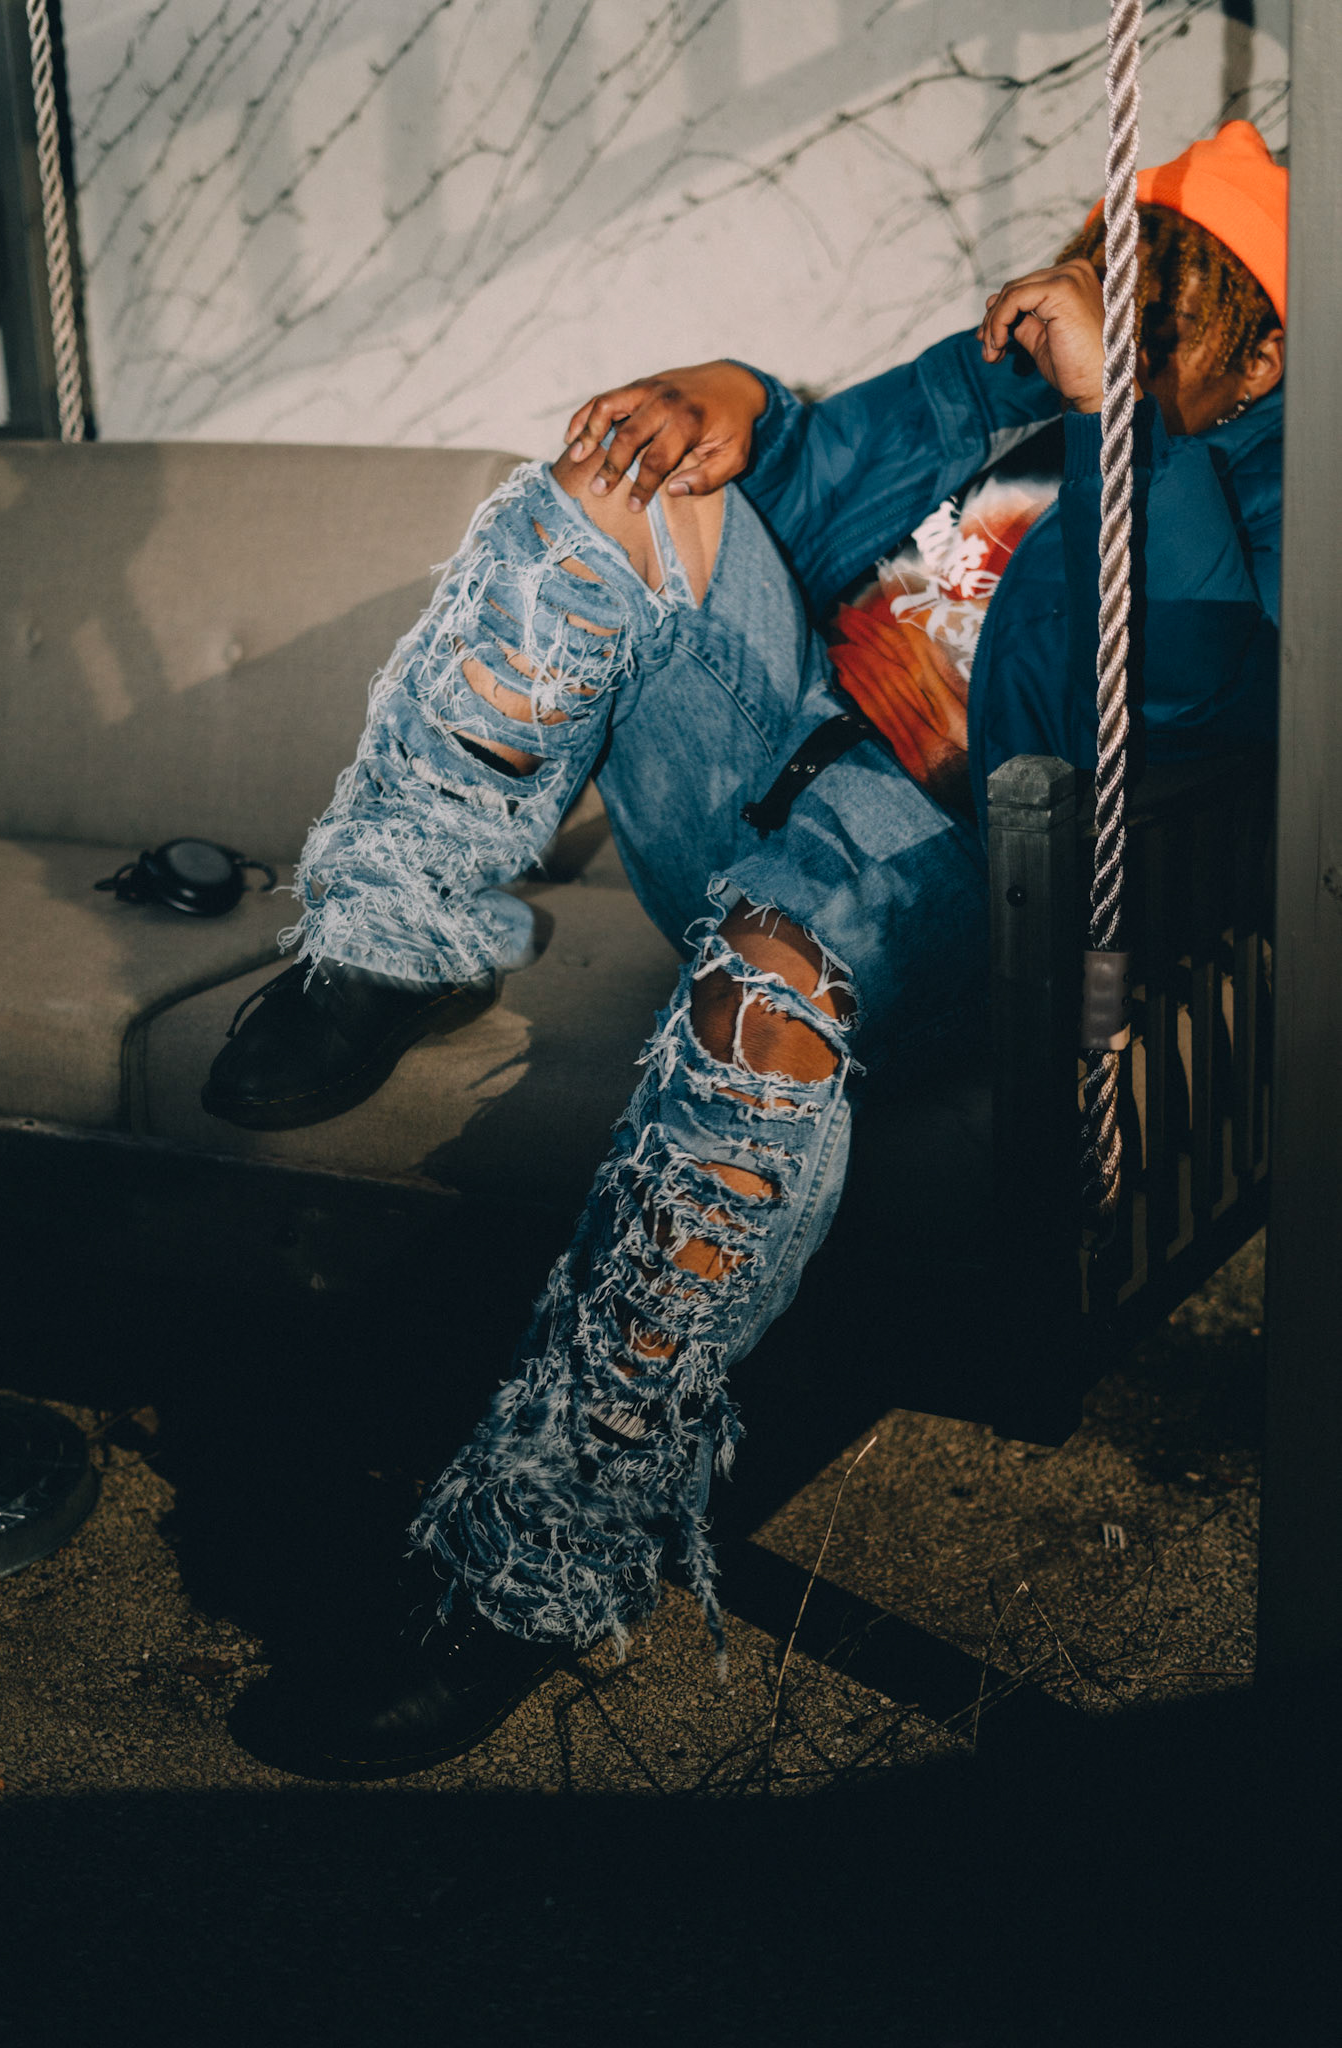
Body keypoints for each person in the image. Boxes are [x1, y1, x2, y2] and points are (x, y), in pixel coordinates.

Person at [219, 122, 1286, 1777]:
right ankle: (393, 937)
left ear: (1264, 356)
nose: (1101, 325)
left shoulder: (1274, 494)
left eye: (1168, 315)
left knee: (770, 973)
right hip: (750, 766)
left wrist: (1122, 417)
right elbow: (773, 500)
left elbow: (1182, 705)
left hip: (950, 878)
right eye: (1107, 283)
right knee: (605, 485)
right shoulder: (996, 380)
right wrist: (733, 392)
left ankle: (533, 1561)